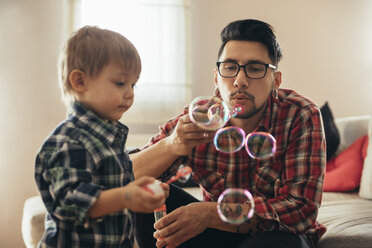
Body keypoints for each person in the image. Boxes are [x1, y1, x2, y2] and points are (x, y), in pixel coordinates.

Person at [131, 19, 326, 248]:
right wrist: (171, 145)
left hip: (274, 234)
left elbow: (302, 209)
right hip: (216, 234)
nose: (240, 81)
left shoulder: (300, 115)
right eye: (230, 67)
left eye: (254, 69)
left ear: (276, 80)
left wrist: (211, 213)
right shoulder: (200, 118)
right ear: (216, 77)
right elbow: (120, 178)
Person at [34, 26, 169, 248]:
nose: (130, 93)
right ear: (80, 82)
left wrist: (139, 192)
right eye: (120, 83)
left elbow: (113, 196)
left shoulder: (109, 140)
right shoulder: (69, 141)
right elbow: (70, 204)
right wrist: (126, 196)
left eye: (133, 84)